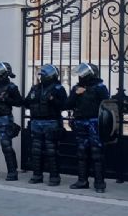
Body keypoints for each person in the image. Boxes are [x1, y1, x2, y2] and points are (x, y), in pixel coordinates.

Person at [66, 62, 110, 193]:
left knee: (97, 153)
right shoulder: (76, 88)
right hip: (80, 122)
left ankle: (99, 183)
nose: (80, 76)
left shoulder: (100, 87)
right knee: (81, 152)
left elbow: (107, 105)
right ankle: (82, 181)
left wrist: (88, 92)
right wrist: (76, 94)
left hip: (94, 123)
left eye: (83, 73)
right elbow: (67, 105)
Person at [23, 64, 67, 186]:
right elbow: (26, 103)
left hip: (51, 122)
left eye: (43, 75)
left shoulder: (58, 88)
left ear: (50, 76)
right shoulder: (35, 88)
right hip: (36, 122)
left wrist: (53, 100)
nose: (41, 78)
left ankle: (54, 177)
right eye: (40, 75)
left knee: (51, 151)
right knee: (36, 151)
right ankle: (37, 175)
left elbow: (65, 105)